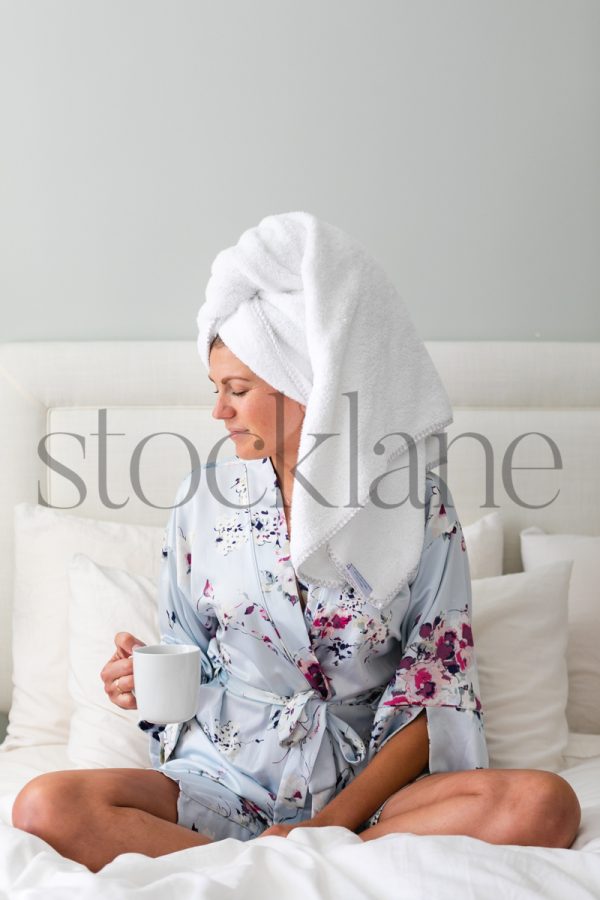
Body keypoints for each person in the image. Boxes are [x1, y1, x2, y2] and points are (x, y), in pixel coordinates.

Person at [12, 213, 581, 872]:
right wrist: (136, 674)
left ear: (307, 389)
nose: (218, 411)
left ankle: (278, 866)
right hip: (223, 777)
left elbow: (436, 692)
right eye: (216, 389)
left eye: (238, 389)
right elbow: (188, 655)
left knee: (545, 805)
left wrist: (328, 828)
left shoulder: (416, 508)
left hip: (368, 793)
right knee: (44, 806)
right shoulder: (201, 500)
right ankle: (297, 869)